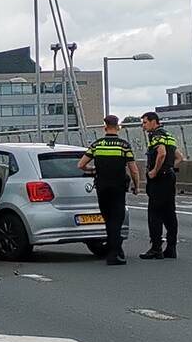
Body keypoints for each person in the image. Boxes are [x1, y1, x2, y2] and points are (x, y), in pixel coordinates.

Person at [78, 115, 140, 266]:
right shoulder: (123, 146)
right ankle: (114, 253)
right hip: (118, 187)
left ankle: (116, 252)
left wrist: (93, 169)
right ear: (117, 127)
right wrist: (136, 186)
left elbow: (81, 165)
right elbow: (133, 170)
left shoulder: (97, 145)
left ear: (105, 127)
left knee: (108, 219)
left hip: (102, 187)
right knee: (116, 220)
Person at [140, 111, 183, 260]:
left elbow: (162, 153)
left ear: (153, 122)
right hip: (169, 178)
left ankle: (156, 248)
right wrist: (170, 168)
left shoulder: (156, 136)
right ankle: (171, 248)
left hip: (159, 179)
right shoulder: (168, 136)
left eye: (145, 122)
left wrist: (154, 171)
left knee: (154, 213)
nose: (143, 126)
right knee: (170, 213)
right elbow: (179, 157)